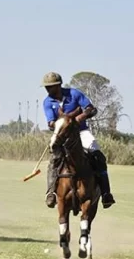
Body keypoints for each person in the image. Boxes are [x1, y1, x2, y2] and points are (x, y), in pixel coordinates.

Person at [41, 71, 116, 209]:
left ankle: (106, 193)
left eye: (50, 86)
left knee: (98, 156)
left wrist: (78, 118)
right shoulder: (47, 102)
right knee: (53, 160)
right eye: (46, 87)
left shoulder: (74, 94)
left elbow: (91, 109)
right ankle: (51, 193)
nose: (47, 89)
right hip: (62, 135)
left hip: (81, 132)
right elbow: (51, 123)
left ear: (58, 85)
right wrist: (63, 123)